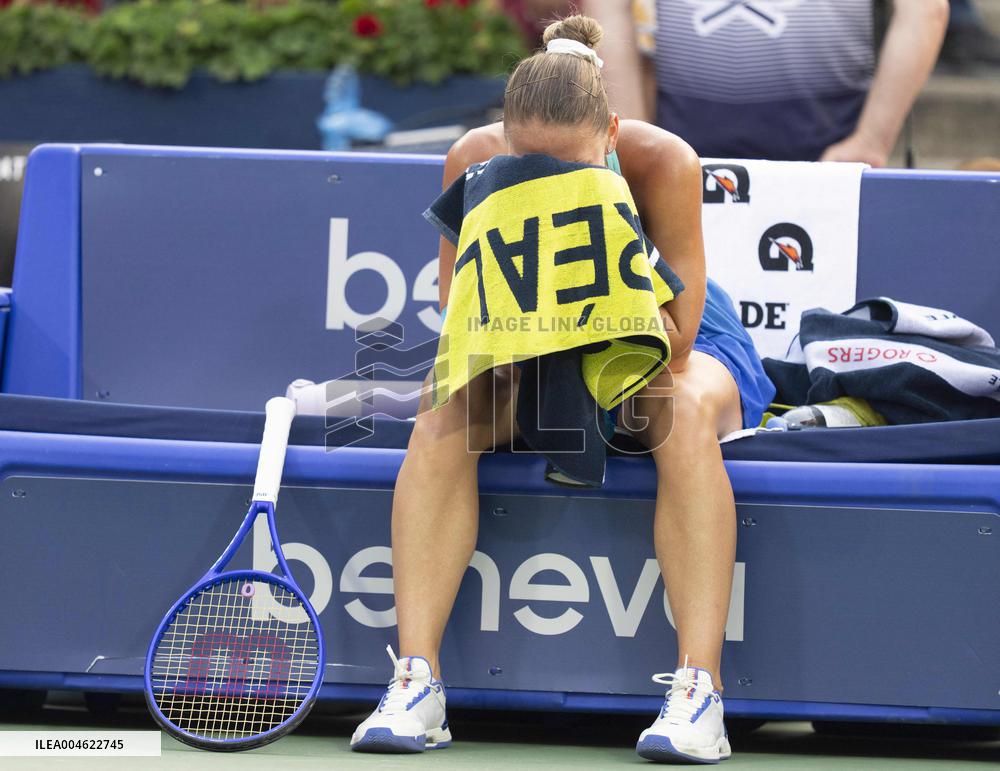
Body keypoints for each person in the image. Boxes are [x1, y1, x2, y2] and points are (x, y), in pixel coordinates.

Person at [350, 14, 774, 765]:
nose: (543, 177)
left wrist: (604, 313)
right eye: (527, 163)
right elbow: (460, 320)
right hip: (535, 346)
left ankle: (699, 693)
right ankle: (416, 682)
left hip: (670, 342)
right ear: (504, 136)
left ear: (610, 134)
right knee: (444, 410)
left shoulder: (663, 161)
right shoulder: (471, 162)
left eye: (567, 166)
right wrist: (521, 361)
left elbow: (676, 337)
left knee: (676, 412)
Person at [584, 0, 948, 165]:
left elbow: (927, 10)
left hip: (825, 163)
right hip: (683, 162)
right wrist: (634, 136)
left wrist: (870, 141)